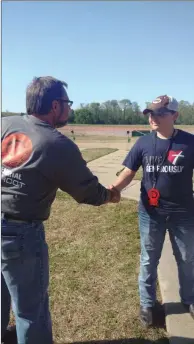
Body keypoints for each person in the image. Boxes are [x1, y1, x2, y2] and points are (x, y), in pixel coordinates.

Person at [1, 76, 120, 344]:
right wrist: (111, 195)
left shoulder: (4, 124)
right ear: (55, 105)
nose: (69, 108)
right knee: (31, 311)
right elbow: (87, 192)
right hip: (19, 233)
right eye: (68, 103)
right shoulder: (56, 143)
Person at [110, 95, 194, 327]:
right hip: (151, 213)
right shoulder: (143, 143)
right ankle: (147, 303)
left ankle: (189, 299)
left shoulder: (190, 143)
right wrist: (112, 190)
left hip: (183, 213)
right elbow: (128, 171)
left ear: (175, 115)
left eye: (159, 113)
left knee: (187, 259)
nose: (152, 118)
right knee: (149, 259)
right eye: (150, 113)